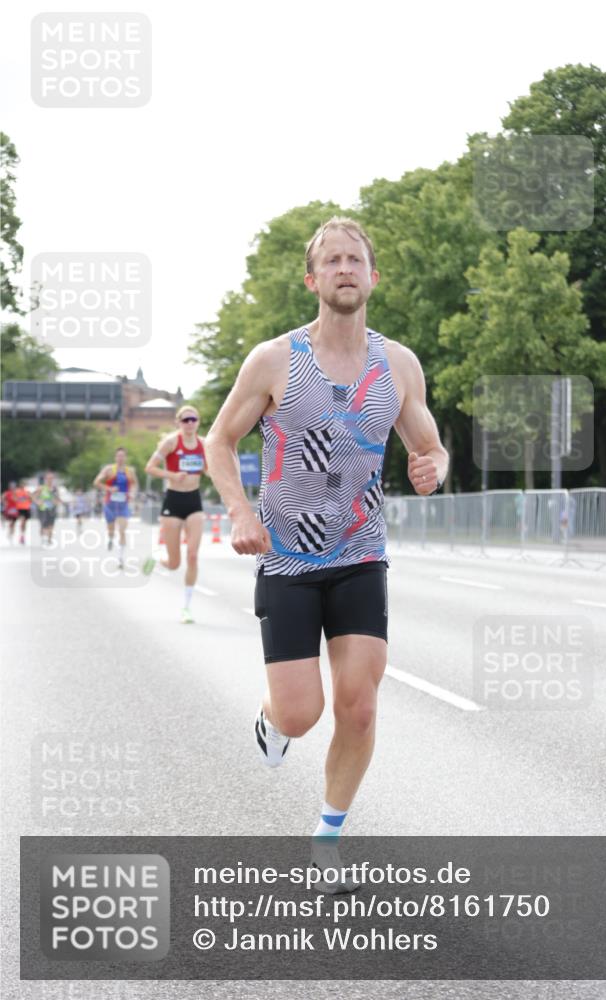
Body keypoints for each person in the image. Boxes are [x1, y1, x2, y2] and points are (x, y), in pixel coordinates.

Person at [205, 217, 448, 889]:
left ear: (373, 277)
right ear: (312, 280)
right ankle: (272, 720)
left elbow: (428, 445)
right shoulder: (273, 360)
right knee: (299, 713)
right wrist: (239, 511)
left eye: (355, 260)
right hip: (287, 559)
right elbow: (219, 440)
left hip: (360, 555)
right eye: (332, 261)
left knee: (359, 706)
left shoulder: (397, 365)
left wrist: (433, 467)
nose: (345, 268)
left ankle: (327, 838)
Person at [142, 404, 208, 624]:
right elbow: (150, 467)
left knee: (193, 555)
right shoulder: (171, 442)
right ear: (178, 422)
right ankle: (156, 557)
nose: (190, 423)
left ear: (198, 422)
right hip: (173, 501)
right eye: (185, 420)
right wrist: (172, 475)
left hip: (194, 500)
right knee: (174, 564)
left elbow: (209, 468)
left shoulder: (204, 444)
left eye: (193, 419)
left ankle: (186, 607)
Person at [93, 448, 138, 568]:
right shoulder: (109, 469)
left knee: (122, 530)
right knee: (111, 530)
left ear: (125, 457)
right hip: (110, 504)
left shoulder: (129, 471)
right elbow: (96, 482)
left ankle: (120, 558)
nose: (120, 458)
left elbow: (134, 483)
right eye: (118, 456)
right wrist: (109, 488)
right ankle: (110, 539)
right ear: (115, 457)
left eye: (122, 456)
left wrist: (132, 493)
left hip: (123, 504)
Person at [33, 472, 60, 547]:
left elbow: (58, 498)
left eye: (51, 478)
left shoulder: (55, 488)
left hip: (52, 509)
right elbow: (34, 497)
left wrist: (56, 502)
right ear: (45, 479)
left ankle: (49, 539)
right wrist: (38, 502)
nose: (50, 480)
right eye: (48, 478)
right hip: (42, 509)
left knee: (51, 525)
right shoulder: (41, 488)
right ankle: (44, 538)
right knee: (44, 525)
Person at [14, 481, 33, 545]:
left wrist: (30, 498)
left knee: (25, 523)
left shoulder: (27, 492)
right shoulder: (17, 491)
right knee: (22, 521)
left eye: (23, 484)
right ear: (20, 485)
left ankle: (23, 535)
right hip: (20, 509)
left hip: (26, 509)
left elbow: (31, 500)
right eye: (21, 484)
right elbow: (14, 499)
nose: (22, 485)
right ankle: (21, 536)